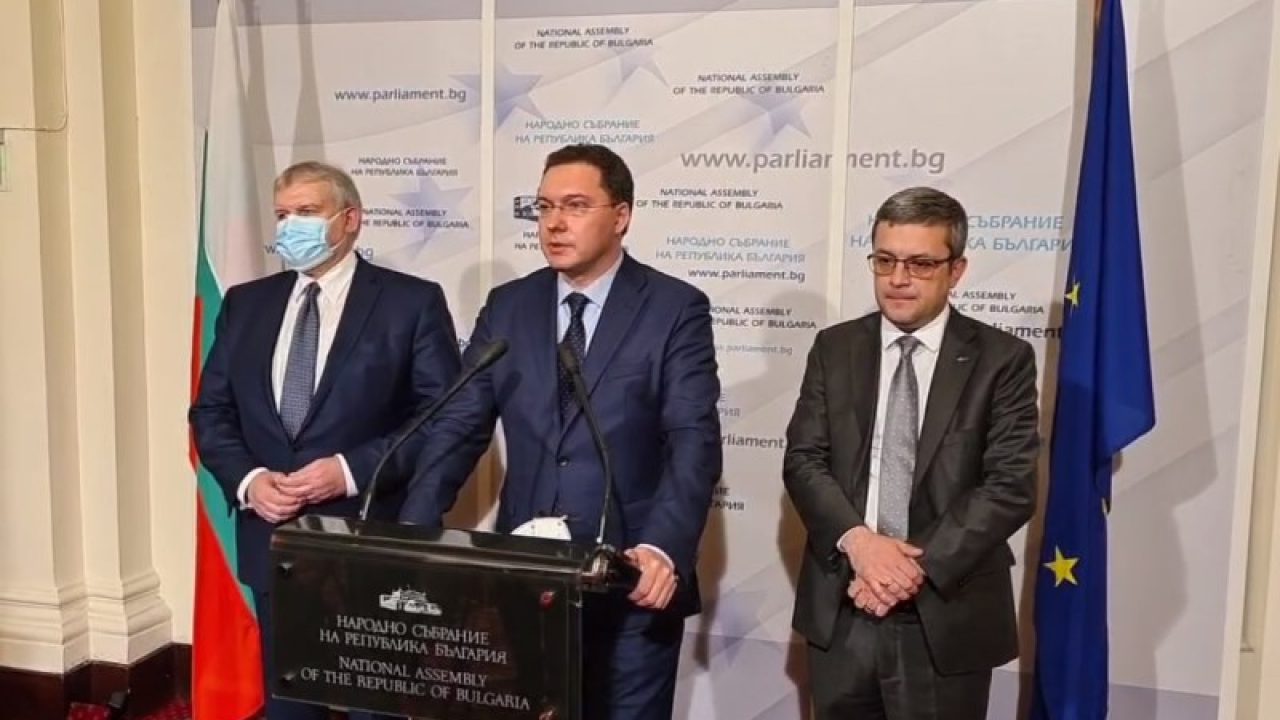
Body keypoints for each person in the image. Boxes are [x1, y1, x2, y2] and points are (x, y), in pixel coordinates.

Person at [399, 144, 722, 720]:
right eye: (544, 207)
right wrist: (412, 534)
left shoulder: (674, 308)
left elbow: (692, 440)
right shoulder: (509, 306)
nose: (553, 223)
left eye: (575, 205)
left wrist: (661, 548)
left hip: (631, 579)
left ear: (621, 216)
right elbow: (460, 425)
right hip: (526, 582)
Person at [189, 161, 462, 720]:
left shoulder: (410, 303)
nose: (291, 227)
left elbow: (440, 419)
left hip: (369, 537)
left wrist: (350, 470)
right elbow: (211, 411)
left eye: (308, 212)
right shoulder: (246, 303)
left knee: (376, 705)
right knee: (290, 703)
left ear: (350, 219)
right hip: (273, 538)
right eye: (283, 215)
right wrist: (249, 481)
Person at [783, 186, 1039, 719]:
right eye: (885, 260)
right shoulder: (834, 348)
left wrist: (905, 569)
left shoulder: (1002, 360)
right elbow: (804, 460)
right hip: (845, 605)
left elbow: (1009, 486)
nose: (898, 279)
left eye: (920, 264)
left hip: (946, 613)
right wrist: (862, 545)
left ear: (956, 270)